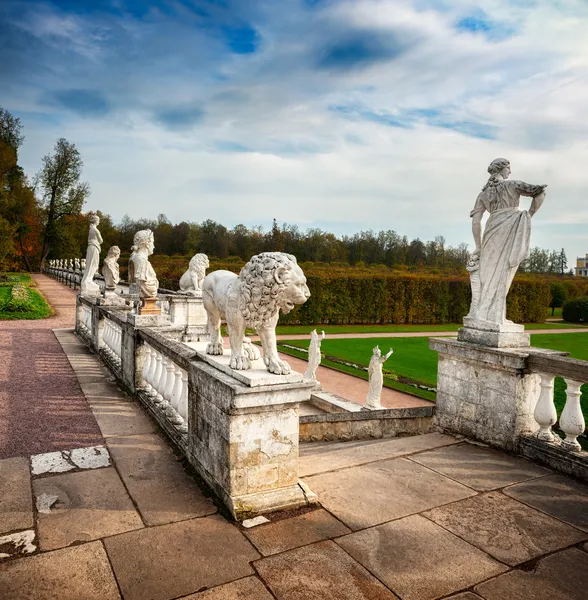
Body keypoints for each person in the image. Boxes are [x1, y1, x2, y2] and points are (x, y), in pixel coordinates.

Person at [468, 158, 546, 327]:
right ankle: (495, 318)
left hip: (490, 234)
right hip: (509, 229)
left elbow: (476, 222)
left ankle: (490, 316)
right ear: (502, 170)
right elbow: (541, 192)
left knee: (488, 276)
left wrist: (478, 247)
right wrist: (528, 215)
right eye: (508, 168)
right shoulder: (512, 185)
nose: (509, 172)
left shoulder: (483, 194)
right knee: (503, 273)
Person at [80, 214, 103, 295]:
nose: (99, 222)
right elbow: (101, 241)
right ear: (96, 221)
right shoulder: (95, 230)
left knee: (90, 264)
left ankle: (86, 280)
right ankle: (88, 280)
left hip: (91, 247)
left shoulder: (90, 229)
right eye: (99, 220)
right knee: (94, 264)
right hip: (94, 247)